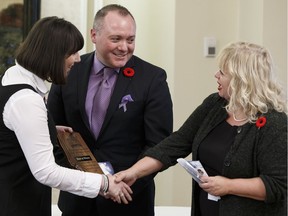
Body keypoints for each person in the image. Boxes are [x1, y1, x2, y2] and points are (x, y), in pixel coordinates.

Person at [115, 41, 287, 216]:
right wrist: (133, 173)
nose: (216, 75)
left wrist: (228, 186)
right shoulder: (215, 105)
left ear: (241, 80)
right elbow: (175, 144)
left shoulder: (274, 123)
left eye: (222, 72)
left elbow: (277, 185)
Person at [47, 4, 173, 216]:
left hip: (128, 202)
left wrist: (121, 185)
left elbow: (159, 145)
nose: (124, 47)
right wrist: (82, 180)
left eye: (130, 40)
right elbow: (53, 132)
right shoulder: (69, 70)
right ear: (94, 35)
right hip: (77, 201)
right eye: (116, 39)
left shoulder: (152, 79)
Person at [0, 16, 132, 216]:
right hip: (18, 204)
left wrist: (46, 130)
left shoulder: (12, 76)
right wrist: (103, 183)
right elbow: (46, 172)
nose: (78, 59)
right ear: (53, 54)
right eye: (72, 52)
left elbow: (10, 130)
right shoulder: (26, 100)